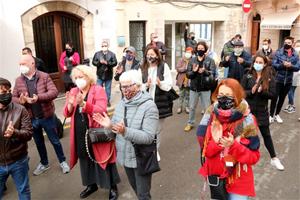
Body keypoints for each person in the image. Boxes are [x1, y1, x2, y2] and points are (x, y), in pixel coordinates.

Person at [93, 70, 159, 200]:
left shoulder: (149, 106)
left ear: (138, 85)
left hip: (141, 158)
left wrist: (125, 131)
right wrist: (108, 127)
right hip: (125, 156)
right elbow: (114, 133)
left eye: (128, 86)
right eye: (122, 86)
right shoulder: (122, 104)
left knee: (143, 194)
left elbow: (148, 137)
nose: (125, 90)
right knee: (136, 189)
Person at [197, 78, 260, 200]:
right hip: (217, 177)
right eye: (220, 95)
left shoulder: (247, 120)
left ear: (237, 96)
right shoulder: (211, 116)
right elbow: (206, 152)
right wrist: (219, 143)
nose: (223, 99)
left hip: (238, 178)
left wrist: (233, 146)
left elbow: (253, 157)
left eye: (228, 95)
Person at [63, 65, 120, 199]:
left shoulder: (98, 90)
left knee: (103, 158)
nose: (78, 80)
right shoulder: (73, 91)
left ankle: (112, 186)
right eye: (75, 78)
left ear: (88, 78)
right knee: (85, 159)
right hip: (80, 132)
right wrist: (70, 104)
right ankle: (91, 184)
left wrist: (83, 104)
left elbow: (101, 109)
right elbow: (66, 112)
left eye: (81, 77)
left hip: (96, 130)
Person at [12, 54, 70, 176]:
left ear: (32, 64)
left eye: (24, 64)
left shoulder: (44, 77)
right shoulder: (19, 80)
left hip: (46, 116)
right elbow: (13, 98)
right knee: (38, 142)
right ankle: (44, 163)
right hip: (31, 118)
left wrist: (39, 98)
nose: (21, 67)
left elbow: (54, 92)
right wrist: (20, 101)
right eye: (20, 64)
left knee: (55, 141)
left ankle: (62, 161)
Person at [241, 55, 284, 171]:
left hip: (262, 111)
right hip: (248, 111)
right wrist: (251, 91)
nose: (258, 64)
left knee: (266, 135)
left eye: (260, 62)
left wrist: (262, 92)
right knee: (245, 136)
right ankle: (244, 160)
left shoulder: (269, 77)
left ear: (265, 64)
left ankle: (274, 158)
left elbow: (274, 95)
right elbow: (241, 92)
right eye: (256, 62)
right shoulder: (248, 75)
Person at [0, 78, 33, 199]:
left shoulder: (20, 109)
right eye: (3, 92)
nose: (7, 95)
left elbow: (28, 133)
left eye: (9, 91)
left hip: (18, 160)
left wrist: (15, 133)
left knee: (23, 190)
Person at [140, 46, 173, 161]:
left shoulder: (164, 66)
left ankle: (155, 150)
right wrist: (146, 85)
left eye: (152, 54)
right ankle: (147, 148)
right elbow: (138, 86)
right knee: (146, 128)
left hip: (160, 103)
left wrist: (160, 84)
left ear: (157, 55)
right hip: (145, 103)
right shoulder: (142, 67)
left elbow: (169, 85)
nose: (150, 57)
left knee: (157, 129)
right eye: (148, 54)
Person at [184, 41, 217, 132]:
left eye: (202, 49)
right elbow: (188, 74)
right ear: (196, 50)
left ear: (205, 50)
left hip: (205, 88)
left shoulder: (210, 60)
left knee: (207, 108)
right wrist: (194, 71)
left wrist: (205, 72)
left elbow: (213, 74)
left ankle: (208, 124)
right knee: (192, 107)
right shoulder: (192, 60)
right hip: (194, 88)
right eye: (198, 49)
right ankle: (190, 123)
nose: (200, 50)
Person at [270, 36, 300, 123]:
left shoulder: (296, 54)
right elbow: (274, 64)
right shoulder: (278, 52)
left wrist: (291, 66)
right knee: (274, 98)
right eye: (285, 42)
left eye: (289, 43)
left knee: (282, 98)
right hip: (278, 79)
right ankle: (271, 115)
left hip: (288, 81)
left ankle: (277, 115)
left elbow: (298, 67)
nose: (287, 44)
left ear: (292, 44)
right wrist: (283, 65)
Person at [92, 40, 118, 107]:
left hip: (108, 74)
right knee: (98, 89)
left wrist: (108, 63)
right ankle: (98, 101)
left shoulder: (112, 54)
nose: (104, 47)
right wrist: (99, 62)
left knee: (108, 89)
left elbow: (115, 62)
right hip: (100, 74)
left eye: (105, 46)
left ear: (108, 46)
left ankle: (107, 101)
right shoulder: (97, 54)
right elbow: (93, 62)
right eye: (103, 46)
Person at [283, 40, 300, 114]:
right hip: (291, 75)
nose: (298, 47)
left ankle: (292, 105)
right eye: (297, 46)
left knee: (290, 91)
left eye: (299, 46)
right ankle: (290, 105)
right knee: (291, 91)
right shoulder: (293, 54)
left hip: (296, 75)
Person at [175, 47, 193, 114]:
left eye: (190, 52)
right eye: (187, 52)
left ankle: (187, 107)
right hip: (181, 80)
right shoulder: (181, 59)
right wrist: (185, 68)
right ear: (185, 52)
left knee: (188, 95)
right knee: (181, 94)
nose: (188, 53)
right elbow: (178, 68)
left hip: (189, 80)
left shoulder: (193, 60)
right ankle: (179, 107)